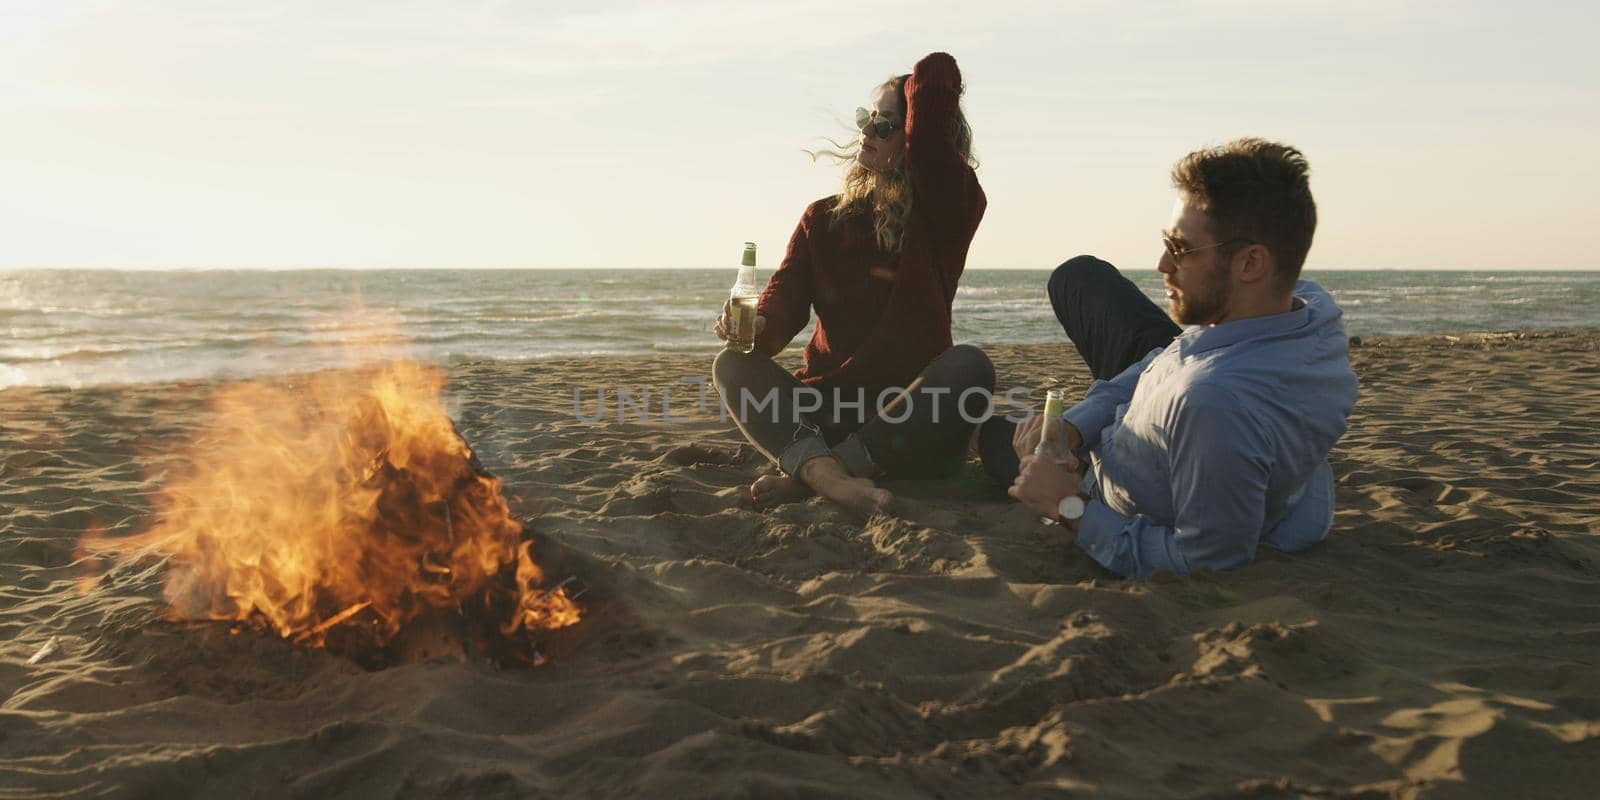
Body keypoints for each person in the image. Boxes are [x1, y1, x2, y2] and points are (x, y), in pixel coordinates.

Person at [984, 138, 1358, 578]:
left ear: (1251, 264)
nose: (1162, 264)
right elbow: (1160, 360)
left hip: (1103, 483)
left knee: (996, 441)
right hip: (1144, 423)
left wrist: (1066, 504)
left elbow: (1202, 562)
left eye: (1180, 249)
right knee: (1078, 277)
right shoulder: (1308, 307)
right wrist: (1074, 427)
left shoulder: (1213, 404)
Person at [713, 52, 992, 518]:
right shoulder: (822, 217)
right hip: (826, 411)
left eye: (885, 124)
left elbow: (938, 71)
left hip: (906, 415)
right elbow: (785, 301)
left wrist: (913, 104)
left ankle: (817, 476)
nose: (866, 131)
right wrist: (758, 325)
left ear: (915, 137)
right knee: (731, 365)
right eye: (867, 118)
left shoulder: (947, 211)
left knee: (970, 367)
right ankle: (832, 476)